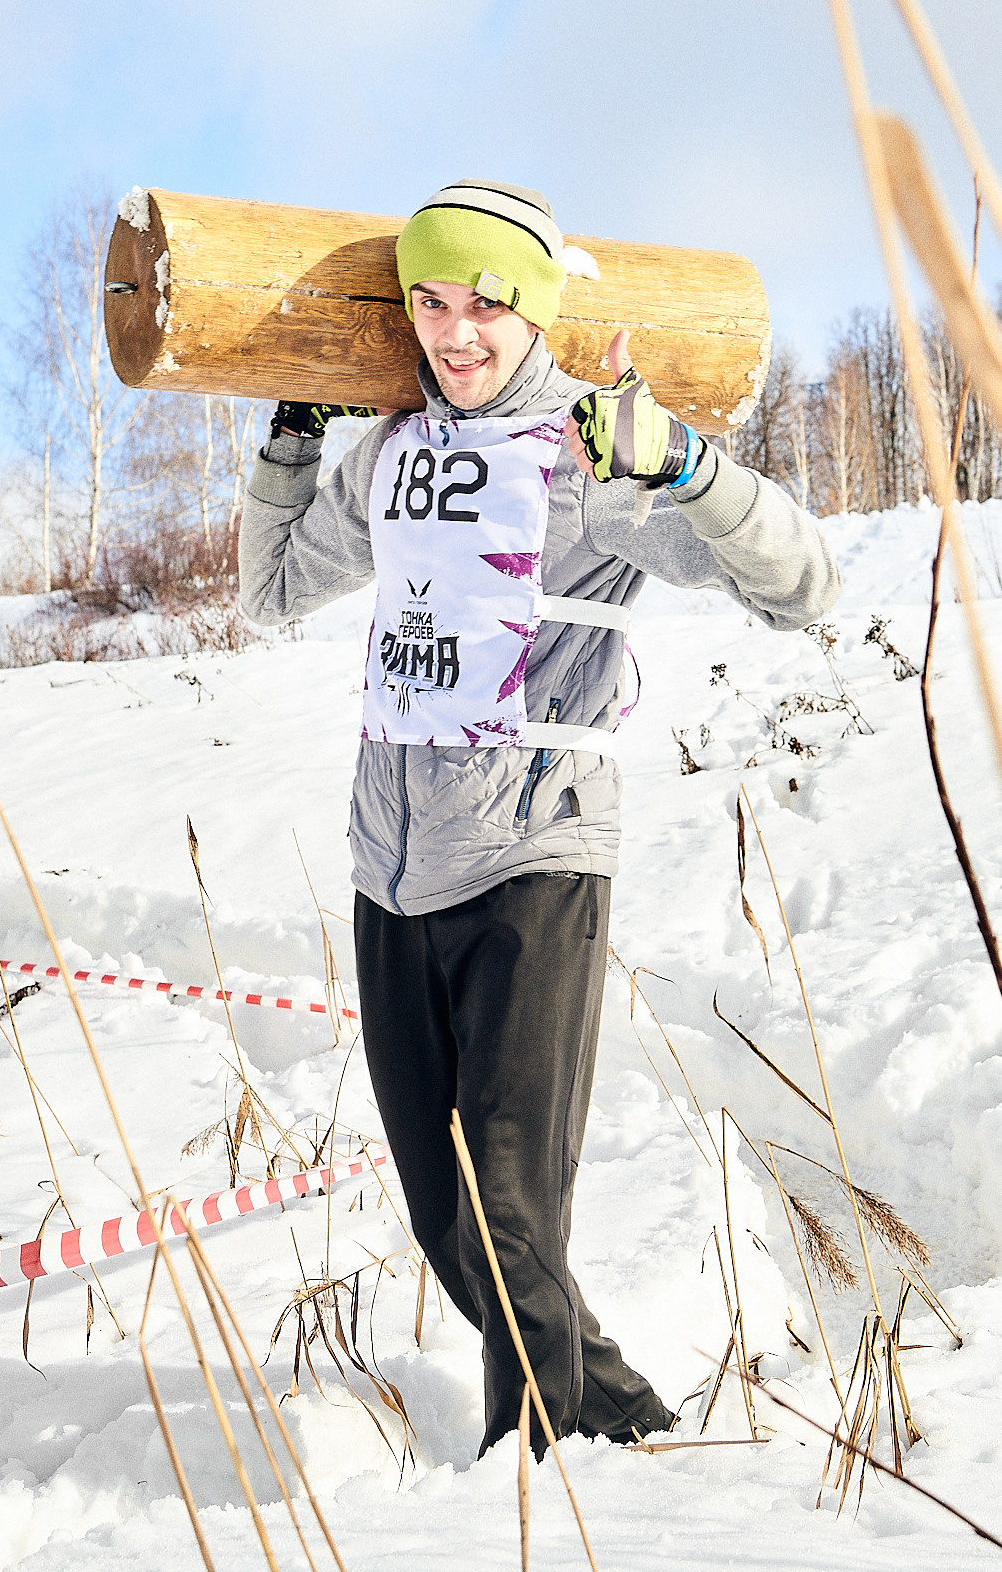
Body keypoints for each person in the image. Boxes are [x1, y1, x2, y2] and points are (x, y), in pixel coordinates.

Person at [238, 178, 840, 1457]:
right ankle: (625, 1420)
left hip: (533, 858)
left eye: (487, 305)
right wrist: (292, 437)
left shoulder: (591, 450)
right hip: (391, 870)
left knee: (509, 1214)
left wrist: (678, 464)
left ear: (538, 310)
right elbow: (273, 591)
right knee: (447, 1223)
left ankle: (530, 1482)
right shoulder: (394, 454)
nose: (455, 333)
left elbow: (804, 586)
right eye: (430, 303)